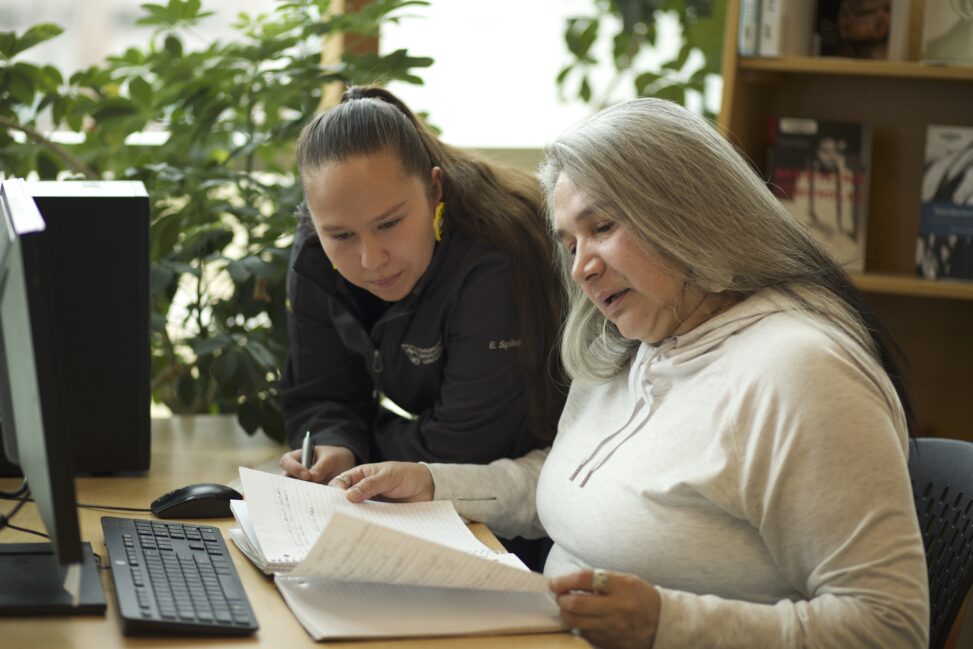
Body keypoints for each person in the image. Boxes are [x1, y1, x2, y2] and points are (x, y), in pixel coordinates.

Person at [326, 98, 930, 648]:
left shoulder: (801, 373)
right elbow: (565, 491)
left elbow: (889, 626)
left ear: (691, 213)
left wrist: (669, 623)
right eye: (569, 242)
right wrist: (434, 485)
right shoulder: (636, 335)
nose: (582, 268)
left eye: (604, 228)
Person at [278, 86, 565, 488]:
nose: (371, 259)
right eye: (341, 235)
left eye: (389, 224)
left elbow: (464, 450)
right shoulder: (314, 251)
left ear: (436, 191)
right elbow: (320, 392)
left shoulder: (498, 254)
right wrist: (337, 444)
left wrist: (361, 451)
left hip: (538, 496)